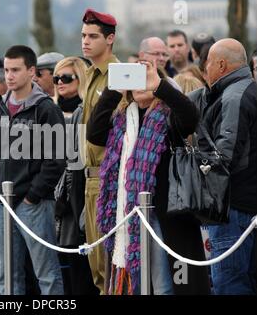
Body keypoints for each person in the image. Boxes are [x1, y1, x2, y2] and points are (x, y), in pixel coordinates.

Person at [87, 60, 210, 294]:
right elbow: (94, 133)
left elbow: (190, 116)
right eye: (136, 78)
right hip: (129, 213)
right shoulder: (122, 119)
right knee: (139, 283)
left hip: (163, 215)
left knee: (164, 283)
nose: (141, 84)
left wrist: (160, 86)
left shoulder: (168, 117)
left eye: (147, 79)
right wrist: (115, 88)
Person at [0, 45, 65, 295]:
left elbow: (57, 159)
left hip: (34, 204)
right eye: (6, 70)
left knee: (47, 274)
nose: (9, 75)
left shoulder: (47, 109)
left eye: (16, 70)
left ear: (31, 71)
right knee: (7, 275)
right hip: (1, 203)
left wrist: (33, 195)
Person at [195, 39, 257, 295]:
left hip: (233, 209)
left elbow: (223, 156)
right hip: (245, 207)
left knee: (228, 284)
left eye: (208, 63)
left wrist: (196, 166)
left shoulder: (233, 96)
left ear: (221, 64)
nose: (205, 69)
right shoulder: (248, 90)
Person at [80, 8, 120, 294]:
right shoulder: (90, 74)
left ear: (110, 39)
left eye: (93, 36)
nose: (85, 41)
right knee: (96, 265)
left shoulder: (118, 75)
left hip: (109, 177)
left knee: (110, 264)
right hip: (90, 177)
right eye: (83, 35)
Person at [53, 56, 98, 295]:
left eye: (66, 77)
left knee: (84, 277)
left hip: (79, 201)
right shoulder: (52, 111)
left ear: (81, 79)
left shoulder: (86, 111)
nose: (60, 82)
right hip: (62, 203)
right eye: (56, 78)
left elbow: (78, 164)